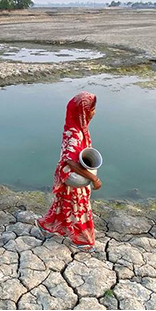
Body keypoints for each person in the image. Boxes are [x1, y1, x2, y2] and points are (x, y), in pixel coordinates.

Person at [36, 91, 101, 250]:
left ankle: (46, 226)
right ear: (82, 111)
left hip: (73, 176)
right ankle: (84, 240)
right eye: (91, 109)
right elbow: (71, 163)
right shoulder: (75, 134)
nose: (94, 112)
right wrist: (94, 179)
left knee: (62, 205)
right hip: (72, 177)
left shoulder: (79, 127)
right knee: (78, 208)